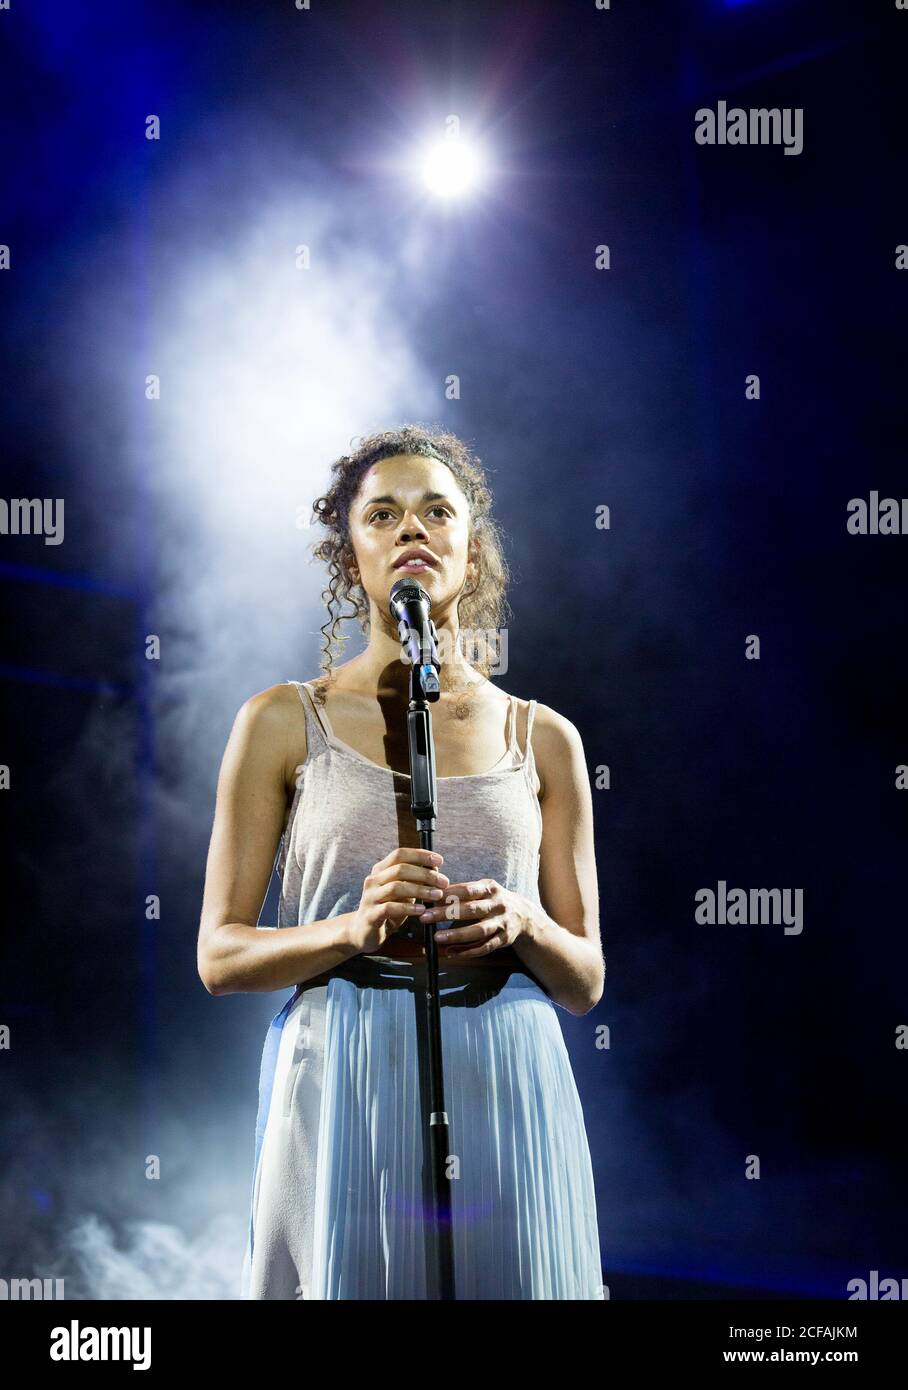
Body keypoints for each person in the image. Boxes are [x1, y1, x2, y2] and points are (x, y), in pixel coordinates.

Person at [198, 425, 606, 1299]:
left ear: (471, 546)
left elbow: (584, 980)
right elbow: (219, 957)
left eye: (436, 511)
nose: (411, 529)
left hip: (507, 1062)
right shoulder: (280, 719)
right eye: (382, 514)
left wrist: (525, 921)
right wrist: (352, 926)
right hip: (346, 1063)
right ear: (351, 555)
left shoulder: (546, 737)